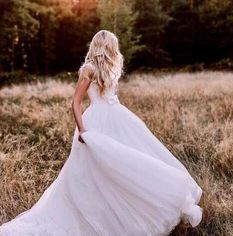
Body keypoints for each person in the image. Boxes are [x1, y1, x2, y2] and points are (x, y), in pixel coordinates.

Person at [0, 30, 203, 236]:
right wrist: (82, 130)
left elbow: (111, 97)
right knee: (91, 171)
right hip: (94, 122)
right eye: (112, 45)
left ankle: (132, 214)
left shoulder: (113, 66)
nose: (114, 49)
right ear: (105, 46)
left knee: (125, 164)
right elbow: (76, 102)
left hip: (117, 118)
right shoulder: (88, 68)